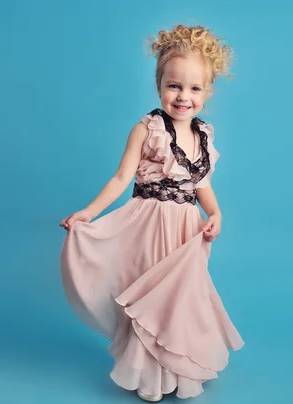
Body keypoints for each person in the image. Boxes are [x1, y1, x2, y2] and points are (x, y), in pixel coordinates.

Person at [59, 24, 244, 402]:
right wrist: (89, 212)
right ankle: (150, 379)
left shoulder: (204, 136)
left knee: (181, 299)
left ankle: (179, 373)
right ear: (159, 84)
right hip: (148, 225)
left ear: (207, 93)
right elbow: (121, 177)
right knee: (151, 298)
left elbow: (202, 186)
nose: (183, 96)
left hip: (186, 232)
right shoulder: (146, 130)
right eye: (174, 85)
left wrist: (216, 215)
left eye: (194, 89)